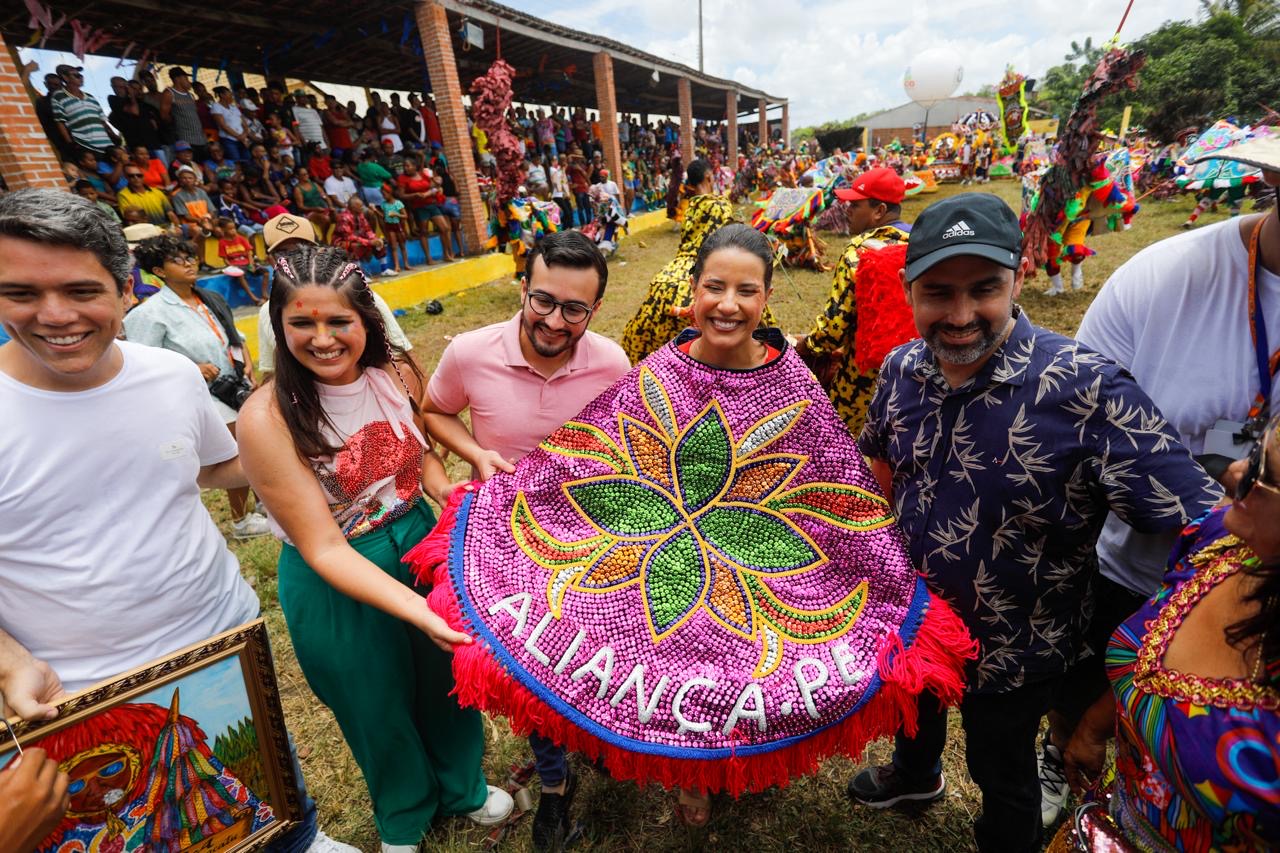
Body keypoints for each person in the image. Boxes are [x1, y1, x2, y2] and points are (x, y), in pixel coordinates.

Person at [845, 193, 1220, 853]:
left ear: (1018, 277)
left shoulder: (1087, 387)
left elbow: (1202, 524)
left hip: (1018, 651)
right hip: (914, 620)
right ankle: (915, 775)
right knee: (914, 711)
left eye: (983, 289)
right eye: (938, 293)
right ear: (909, 292)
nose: (960, 316)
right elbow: (880, 458)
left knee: (1001, 769)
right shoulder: (901, 369)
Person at [0, 189, 354, 853]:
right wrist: (8, 658)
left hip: (221, 636)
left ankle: (303, 838)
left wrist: (319, 442)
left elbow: (216, 467)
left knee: (258, 776)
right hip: (81, 690)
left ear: (126, 289)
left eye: (81, 289)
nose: (55, 315)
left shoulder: (167, 375)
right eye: (20, 292)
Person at [235, 246, 513, 852]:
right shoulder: (265, 418)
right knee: (372, 703)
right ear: (278, 330)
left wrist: (450, 489)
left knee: (446, 679)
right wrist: (420, 611)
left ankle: (462, 787)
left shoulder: (395, 375)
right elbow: (323, 546)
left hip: (415, 537)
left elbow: (419, 457)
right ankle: (403, 815)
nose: (323, 339)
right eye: (302, 324)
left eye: (339, 322)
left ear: (366, 320)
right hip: (337, 571)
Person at [1055, 135, 1280, 828]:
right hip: (1129, 568)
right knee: (1089, 701)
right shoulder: (1163, 278)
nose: (1240, 473)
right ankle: (1071, 765)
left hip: (1262, 597)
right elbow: (1071, 424)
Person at [422, 230, 631, 851]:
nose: (554, 320)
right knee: (530, 668)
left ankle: (596, 739)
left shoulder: (614, 363)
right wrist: (476, 453)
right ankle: (554, 782)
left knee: (592, 654)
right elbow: (433, 412)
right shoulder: (468, 351)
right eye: (543, 300)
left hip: (595, 536)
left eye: (574, 310)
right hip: (502, 545)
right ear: (524, 288)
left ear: (593, 311)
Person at [1060, 414, 1280, 848]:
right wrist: (1093, 729)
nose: (1234, 470)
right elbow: (1148, 652)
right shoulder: (1218, 538)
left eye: (1262, 474)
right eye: (1254, 451)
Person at [124, 234, 270, 540]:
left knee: (253, 446)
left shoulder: (209, 299)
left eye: (190, 256)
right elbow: (144, 360)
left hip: (234, 385)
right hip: (201, 395)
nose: (189, 263)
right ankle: (241, 521)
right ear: (160, 271)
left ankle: (262, 505)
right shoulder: (149, 314)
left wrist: (245, 362)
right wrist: (192, 367)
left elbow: (234, 336)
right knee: (232, 455)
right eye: (178, 259)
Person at [795, 166, 912, 435]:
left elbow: (834, 330)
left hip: (863, 375)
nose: (846, 210)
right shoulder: (923, 244)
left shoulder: (859, 250)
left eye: (854, 205)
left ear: (879, 211)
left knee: (833, 439)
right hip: (917, 369)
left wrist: (807, 345)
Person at [255, 213, 412, 382]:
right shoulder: (267, 312)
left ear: (319, 250)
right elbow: (271, 375)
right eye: (282, 253)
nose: (294, 258)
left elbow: (400, 359)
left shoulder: (362, 296)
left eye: (302, 248)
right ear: (269, 259)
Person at [619, 158, 737, 363]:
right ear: (709, 177)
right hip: (704, 270)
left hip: (673, 272)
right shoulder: (720, 206)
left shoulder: (691, 206)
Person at [396, 155, 454, 265]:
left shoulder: (422, 174)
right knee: (424, 232)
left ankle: (446, 254)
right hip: (419, 207)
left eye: (408, 166)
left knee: (444, 228)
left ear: (414, 166)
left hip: (431, 203)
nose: (406, 168)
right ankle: (429, 258)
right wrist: (414, 195)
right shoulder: (402, 179)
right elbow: (401, 195)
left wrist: (435, 187)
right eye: (405, 166)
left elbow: (432, 185)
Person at [50, 64, 118, 156]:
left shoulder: (91, 97)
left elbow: (102, 121)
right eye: (76, 76)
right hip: (85, 146)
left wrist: (114, 136)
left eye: (81, 75)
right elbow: (60, 122)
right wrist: (70, 144)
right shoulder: (58, 96)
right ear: (65, 78)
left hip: (107, 145)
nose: (81, 78)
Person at [216, 217, 268, 304]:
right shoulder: (222, 243)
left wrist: (251, 264)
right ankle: (254, 298)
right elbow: (225, 259)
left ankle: (264, 293)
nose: (233, 231)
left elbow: (249, 254)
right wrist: (232, 267)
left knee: (266, 272)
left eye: (234, 228)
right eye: (230, 229)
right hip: (236, 266)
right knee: (240, 275)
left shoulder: (241, 239)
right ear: (223, 230)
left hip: (248, 263)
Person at [333, 197, 390, 273]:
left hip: (358, 239)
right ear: (353, 208)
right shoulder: (344, 218)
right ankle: (360, 275)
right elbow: (349, 237)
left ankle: (384, 270)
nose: (362, 208)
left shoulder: (360, 215)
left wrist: (375, 239)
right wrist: (369, 242)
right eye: (360, 206)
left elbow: (368, 230)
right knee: (356, 246)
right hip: (341, 243)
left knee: (380, 242)